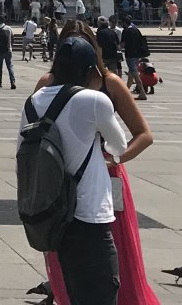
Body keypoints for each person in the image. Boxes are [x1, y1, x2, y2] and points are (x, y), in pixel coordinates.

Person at [37, 22, 159, 305]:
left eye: (81, 44)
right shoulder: (47, 83)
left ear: (94, 49)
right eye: (69, 44)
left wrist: (113, 160)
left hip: (106, 180)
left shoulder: (110, 83)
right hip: (61, 180)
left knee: (116, 253)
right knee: (63, 257)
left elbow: (144, 135)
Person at [18, 36, 136, 305]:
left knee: (73, 290)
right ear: (90, 71)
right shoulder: (94, 100)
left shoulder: (33, 102)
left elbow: (22, 155)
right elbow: (118, 147)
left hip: (51, 213)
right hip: (89, 212)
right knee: (102, 291)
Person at [119, 16, 151, 99]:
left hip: (130, 55)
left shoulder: (125, 31)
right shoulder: (136, 30)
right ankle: (126, 92)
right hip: (137, 55)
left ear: (124, 23)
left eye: (122, 23)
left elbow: (122, 44)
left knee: (135, 74)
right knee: (131, 73)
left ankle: (142, 93)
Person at [0, 16, 17, 89]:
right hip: (8, 50)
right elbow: (13, 39)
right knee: (10, 66)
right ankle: (12, 81)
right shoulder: (9, 28)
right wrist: (10, 47)